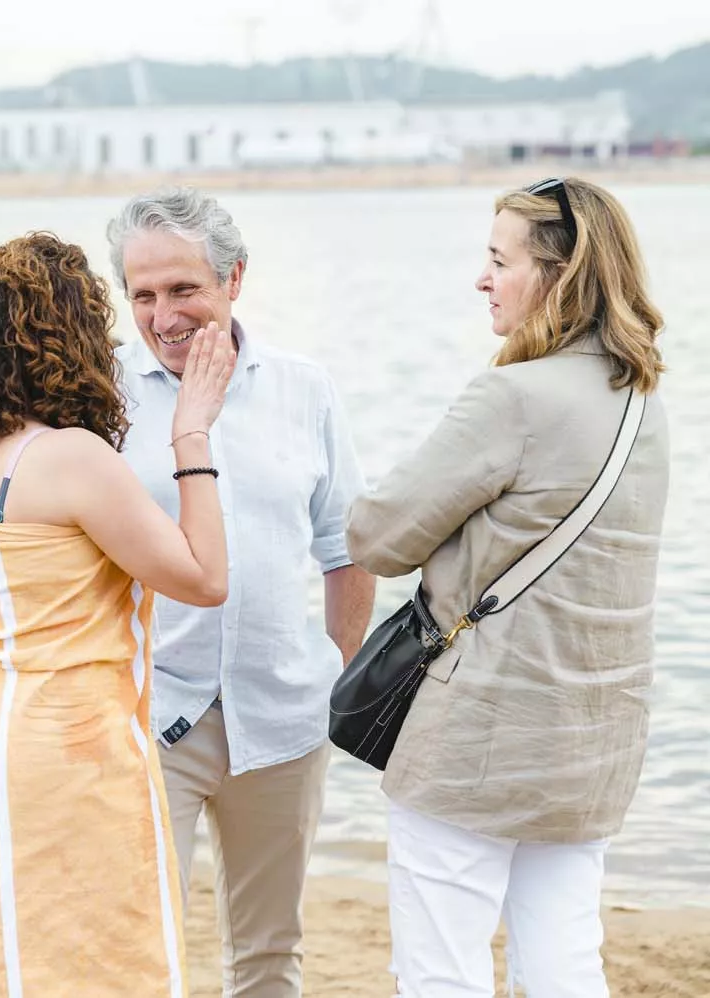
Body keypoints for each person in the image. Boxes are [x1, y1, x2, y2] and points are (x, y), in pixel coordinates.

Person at [346, 178, 669, 997]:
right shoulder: (641, 400)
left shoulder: (512, 397)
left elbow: (378, 539)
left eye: (499, 260)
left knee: (441, 969)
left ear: (557, 275)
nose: (482, 279)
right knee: (564, 961)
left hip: (479, 742)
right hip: (594, 741)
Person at [0, 232, 234, 995]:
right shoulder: (70, 457)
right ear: (72, 336)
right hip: (66, 738)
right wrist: (191, 434)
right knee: (97, 944)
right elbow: (203, 577)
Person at [107, 187, 375, 997]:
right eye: (142, 295)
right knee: (137, 944)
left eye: (183, 289)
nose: (163, 315)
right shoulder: (100, 401)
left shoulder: (305, 388)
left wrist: (340, 671)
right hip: (151, 719)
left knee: (269, 953)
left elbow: (345, 547)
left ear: (235, 278)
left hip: (286, 717)